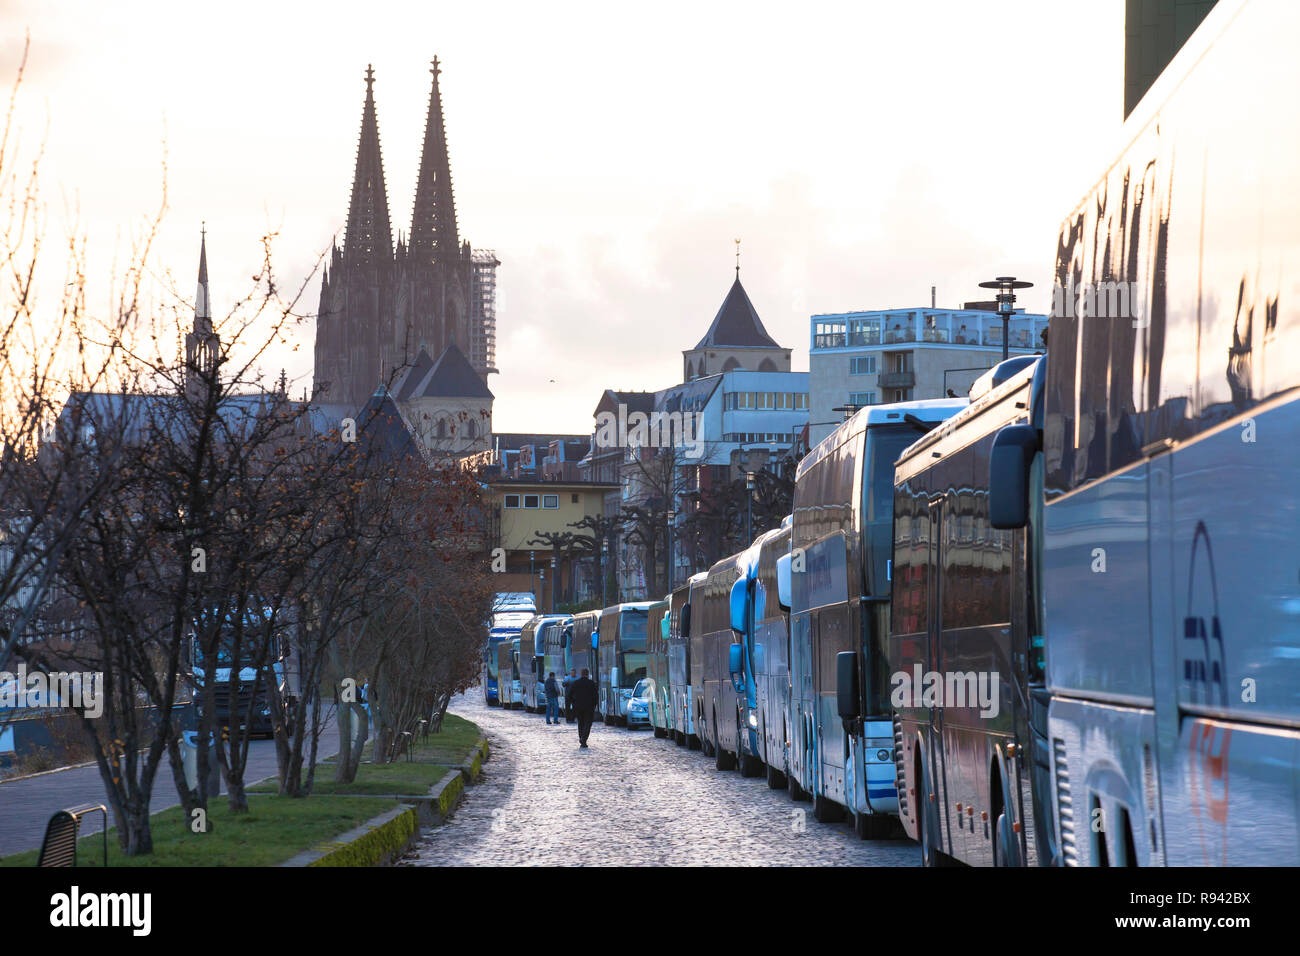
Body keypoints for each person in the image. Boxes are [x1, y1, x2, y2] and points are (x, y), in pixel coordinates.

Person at [568, 668, 598, 748]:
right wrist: (594, 705)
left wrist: (573, 703)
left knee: (580, 723)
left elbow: (569, 695)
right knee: (588, 723)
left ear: (581, 674)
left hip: (578, 707)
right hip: (589, 707)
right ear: (587, 674)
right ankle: (584, 739)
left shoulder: (576, 683)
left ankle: (582, 738)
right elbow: (596, 696)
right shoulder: (591, 683)